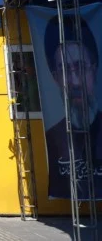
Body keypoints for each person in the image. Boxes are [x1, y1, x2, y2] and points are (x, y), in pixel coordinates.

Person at [42, 14, 102, 197]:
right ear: (55, 78)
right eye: (65, 70)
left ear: (94, 69)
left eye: (81, 67)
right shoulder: (52, 139)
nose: (75, 82)